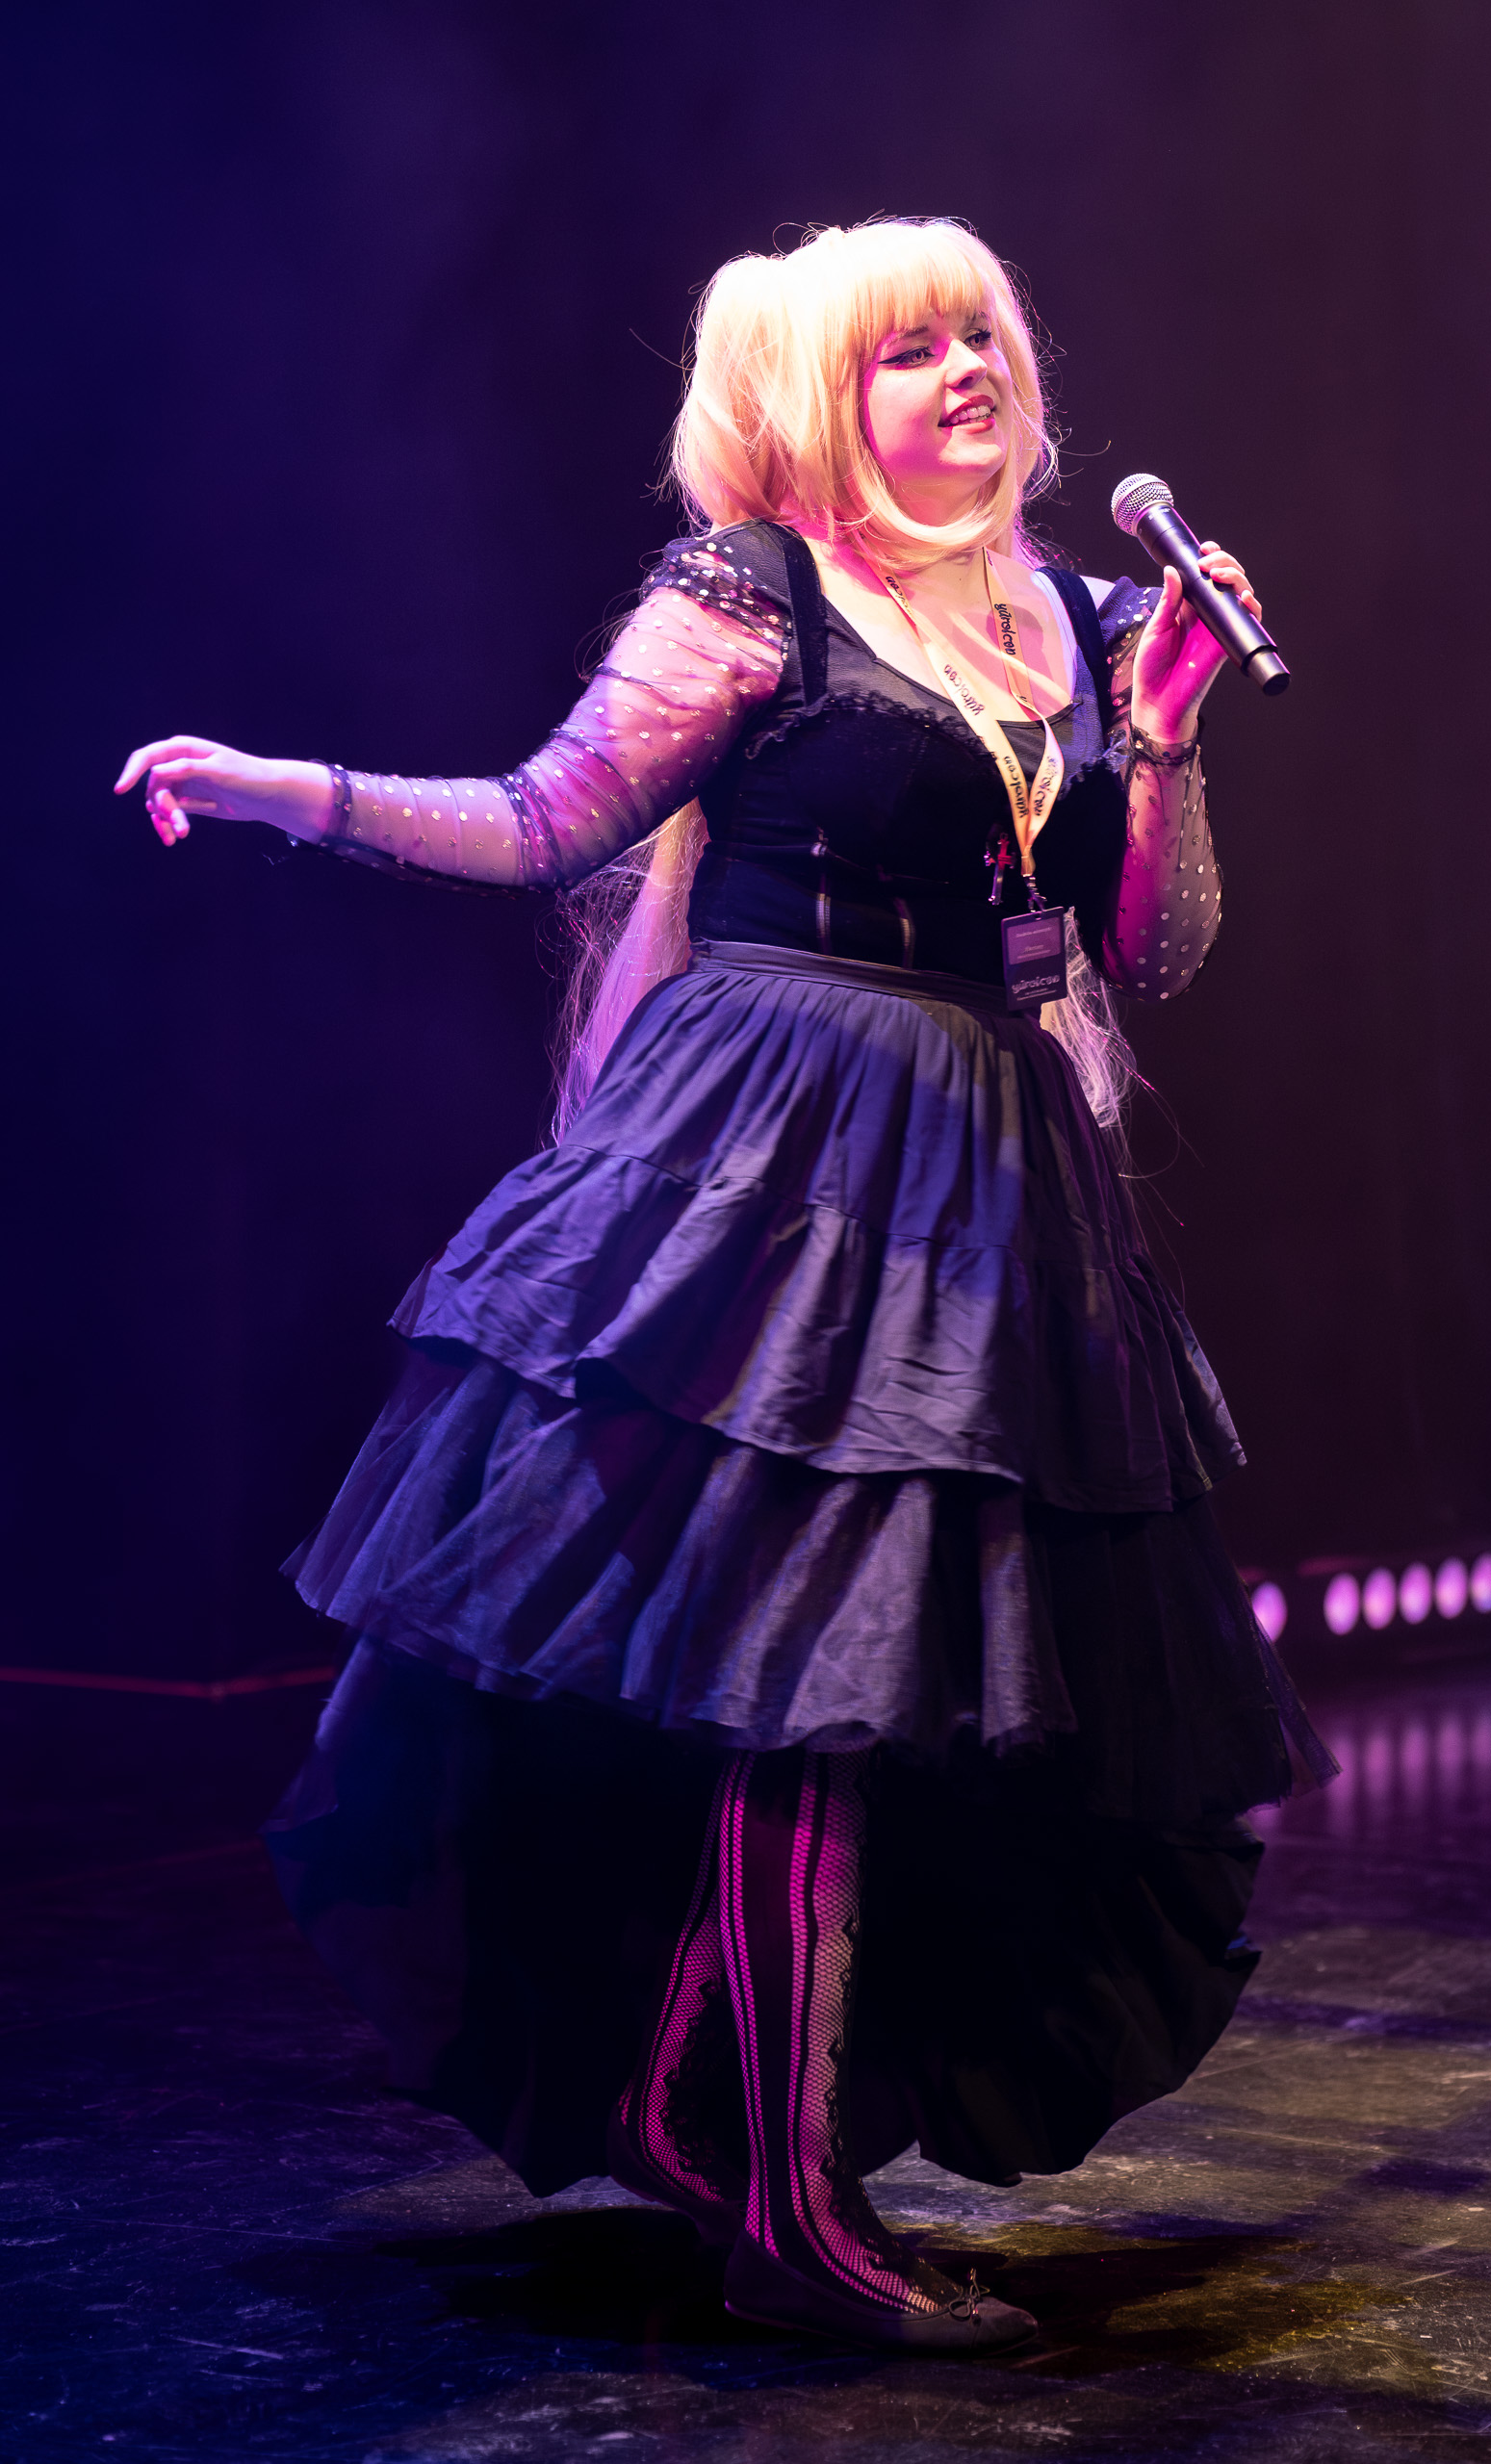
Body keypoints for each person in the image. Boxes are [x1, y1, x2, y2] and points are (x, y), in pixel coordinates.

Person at [116, 217, 1333, 2355]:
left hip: (989, 1171)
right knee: (806, 1678)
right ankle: (777, 2197)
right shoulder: (760, 589)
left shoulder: (1070, 621)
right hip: (780, 1163)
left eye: (981, 334)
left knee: (901, 1687)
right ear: (822, 401)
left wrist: (1161, 736)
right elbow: (545, 816)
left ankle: (735, 2129)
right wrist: (283, 790)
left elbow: (1152, 949)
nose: (965, 367)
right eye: (908, 348)